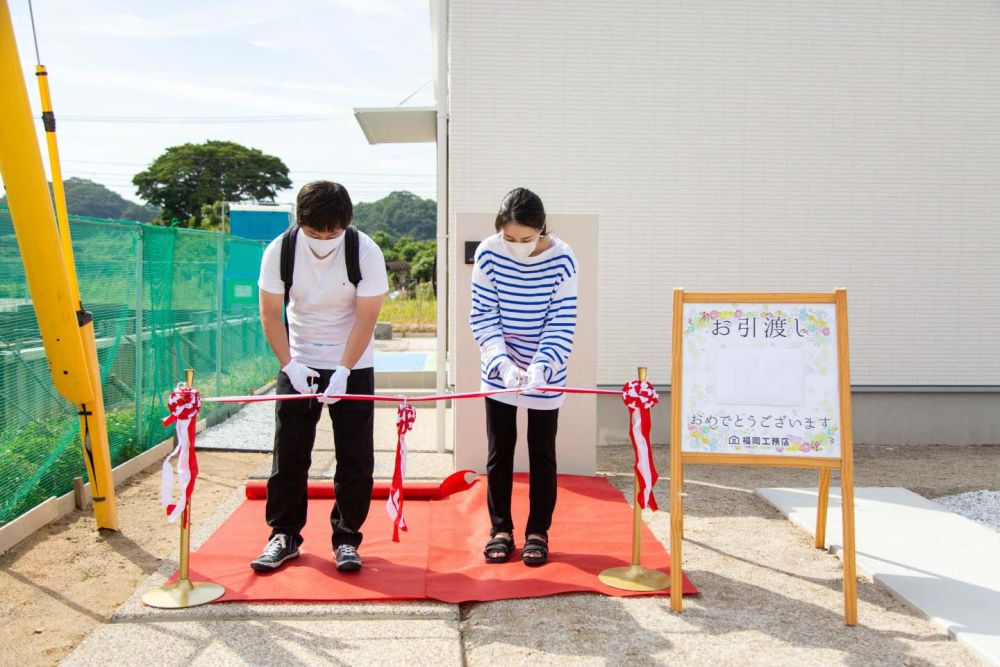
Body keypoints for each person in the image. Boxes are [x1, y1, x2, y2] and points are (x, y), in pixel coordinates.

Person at [252, 180, 388, 573]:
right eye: (316, 232)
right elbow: (269, 314)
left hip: (353, 362)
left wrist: (344, 370)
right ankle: (285, 534)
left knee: (356, 457)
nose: (325, 239)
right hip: (299, 361)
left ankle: (347, 538)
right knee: (290, 453)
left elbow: (367, 316)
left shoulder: (364, 250)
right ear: (300, 222)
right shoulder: (280, 251)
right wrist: (290, 364)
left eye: (334, 231)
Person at [470, 187, 578, 566]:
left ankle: (538, 530)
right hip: (499, 363)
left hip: (546, 367)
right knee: (500, 450)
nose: (516, 245)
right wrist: (502, 363)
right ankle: (500, 528)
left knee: (542, 451)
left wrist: (541, 367)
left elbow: (562, 319)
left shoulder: (563, 259)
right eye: (509, 237)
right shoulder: (488, 253)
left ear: (542, 228)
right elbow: (483, 315)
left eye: (526, 239)